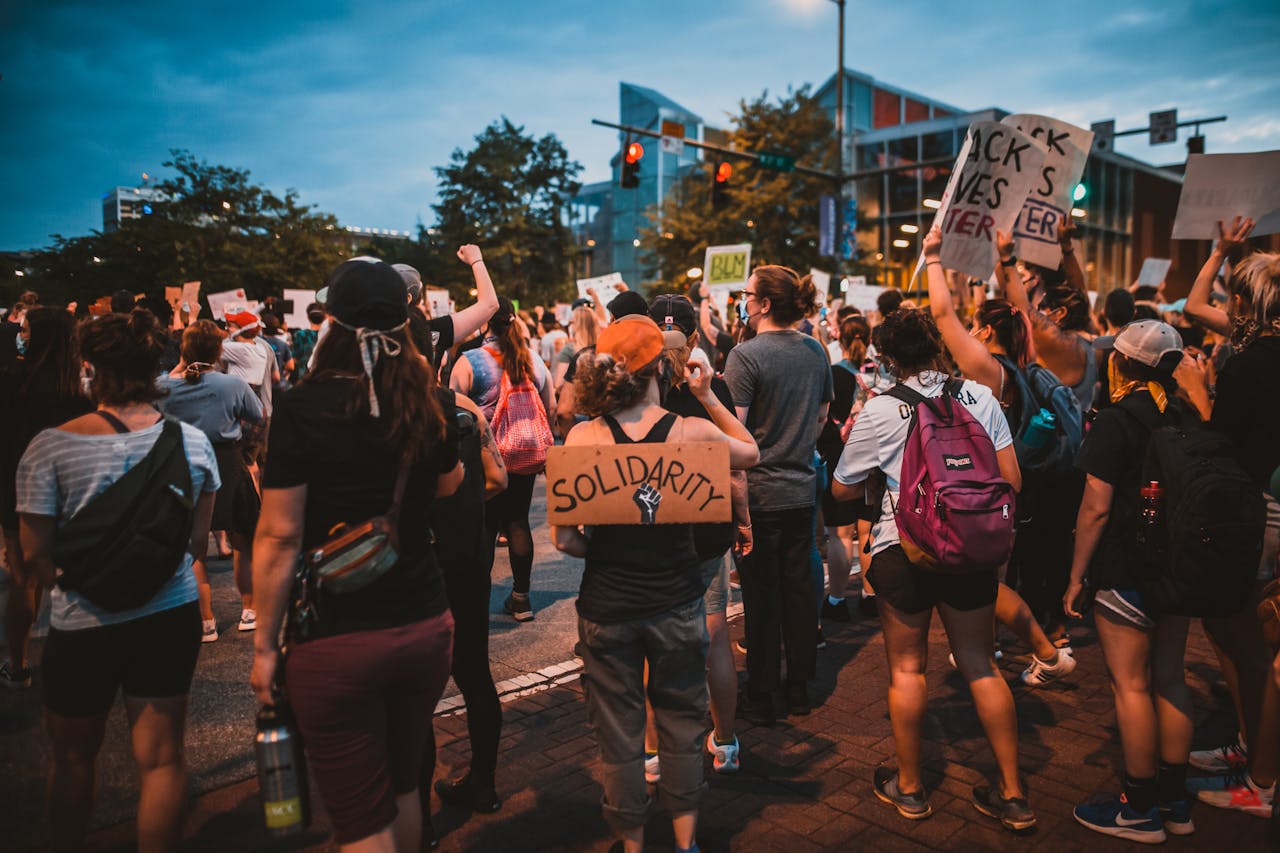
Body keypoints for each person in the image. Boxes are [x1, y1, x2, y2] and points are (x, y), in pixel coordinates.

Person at [250, 259, 462, 852]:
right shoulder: (429, 402)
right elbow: (450, 485)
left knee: (361, 820)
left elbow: (278, 538)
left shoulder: (303, 407)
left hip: (334, 636)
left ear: (333, 323)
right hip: (423, 623)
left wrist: (266, 648)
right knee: (403, 792)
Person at [553, 314, 758, 853]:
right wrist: (708, 393)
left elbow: (565, 542)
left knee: (620, 740)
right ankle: (686, 843)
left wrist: (605, 548)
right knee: (684, 727)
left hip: (606, 605)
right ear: (659, 369)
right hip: (676, 601)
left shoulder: (583, 436)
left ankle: (634, 844)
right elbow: (750, 452)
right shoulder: (690, 431)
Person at [17, 309, 219, 852]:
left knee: (74, 759)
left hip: (83, 619)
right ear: (156, 365)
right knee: (161, 761)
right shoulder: (192, 445)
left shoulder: (49, 447)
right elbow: (197, 546)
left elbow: (35, 555)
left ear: (91, 368)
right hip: (169, 611)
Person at [831, 307, 1033, 832]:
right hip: (971, 547)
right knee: (981, 665)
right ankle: (1012, 794)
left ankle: (912, 788)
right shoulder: (980, 397)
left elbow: (841, 488)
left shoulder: (880, 410)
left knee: (907, 668)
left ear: (890, 358)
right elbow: (1011, 478)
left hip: (906, 546)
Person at [923, 227, 1079, 686]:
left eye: (975, 327)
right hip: (1013, 491)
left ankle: (1047, 653)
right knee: (993, 573)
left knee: (986, 580)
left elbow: (941, 314)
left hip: (994, 491)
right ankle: (986, 646)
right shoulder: (1026, 370)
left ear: (988, 331)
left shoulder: (993, 371)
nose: (967, 333)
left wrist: (933, 257)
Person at [1064, 320, 1198, 842]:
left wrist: (1076, 578)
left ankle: (1139, 808)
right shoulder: (1186, 413)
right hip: (1179, 569)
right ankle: (1175, 803)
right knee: (1171, 679)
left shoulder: (1118, 420)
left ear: (1120, 363)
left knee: (1132, 687)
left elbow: (1095, 509)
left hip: (1126, 569)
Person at [1181, 216, 1280, 818]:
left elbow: (1221, 441)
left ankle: (1262, 777)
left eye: (1234, 298)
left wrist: (1198, 390)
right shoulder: (1254, 353)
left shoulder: (1247, 364)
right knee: (1235, 632)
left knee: (1249, 640)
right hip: (1262, 503)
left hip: (1256, 510)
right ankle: (1251, 749)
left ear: (1247, 304)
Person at [642, 294, 753, 776]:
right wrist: (743, 518)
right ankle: (724, 742)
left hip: (651, 528)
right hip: (707, 531)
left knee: (653, 643)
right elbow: (741, 463)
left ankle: (651, 752)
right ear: (692, 336)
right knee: (713, 637)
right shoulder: (710, 387)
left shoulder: (636, 388)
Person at [723, 265, 832, 723]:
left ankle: (763, 693)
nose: (742, 303)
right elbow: (823, 417)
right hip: (803, 490)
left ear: (765, 304)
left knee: (761, 598)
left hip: (760, 495)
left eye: (746, 295)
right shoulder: (816, 351)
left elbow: (736, 433)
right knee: (801, 594)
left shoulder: (744, 357)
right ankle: (800, 687)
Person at [425, 385, 509, 831]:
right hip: (468, 558)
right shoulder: (465, 408)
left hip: (419, 564)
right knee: (476, 675)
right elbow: (499, 480)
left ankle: (416, 820)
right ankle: (484, 784)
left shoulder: (381, 406)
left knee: (415, 690)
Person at [0, 307, 94, 688]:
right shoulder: (78, 391)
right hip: (69, 491)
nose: (19, 335)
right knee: (70, 576)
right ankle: (75, 659)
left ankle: (19, 664)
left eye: (23, 329)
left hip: (17, 490)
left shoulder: (11, 382)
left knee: (23, 579)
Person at [157, 320, 264, 641]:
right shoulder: (231, 385)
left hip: (184, 462)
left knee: (195, 548)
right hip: (226, 460)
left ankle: (206, 621)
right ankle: (249, 610)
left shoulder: (164, 385)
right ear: (219, 350)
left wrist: (179, 367)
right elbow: (258, 416)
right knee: (243, 539)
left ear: (183, 349)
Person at [450, 296, 554, 622]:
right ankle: (521, 599)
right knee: (518, 522)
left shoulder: (470, 361)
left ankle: (477, 602)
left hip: (483, 460)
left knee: (485, 527)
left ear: (484, 322)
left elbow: (454, 412)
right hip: (523, 455)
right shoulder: (533, 360)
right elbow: (548, 408)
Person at [1000, 226, 1099, 413]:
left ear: (1060, 313)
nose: (1039, 312)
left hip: (1052, 441)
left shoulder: (1061, 344)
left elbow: (1024, 310)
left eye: (1043, 308)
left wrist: (1007, 259)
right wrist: (1066, 247)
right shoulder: (1089, 337)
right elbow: (1080, 292)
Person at [395, 245, 499, 367]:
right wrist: (476, 260)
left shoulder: (372, 336)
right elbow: (490, 304)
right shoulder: (431, 330)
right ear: (410, 299)